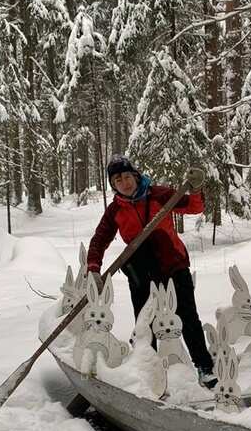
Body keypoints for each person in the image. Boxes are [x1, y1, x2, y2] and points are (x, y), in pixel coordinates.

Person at [86, 155, 216, 388]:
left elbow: (194, 207)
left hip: (172, 263)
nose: (124, 183)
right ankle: (149, 369)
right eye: (117, 180)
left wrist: (196, 189)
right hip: (141, 269)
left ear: (135, 176)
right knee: (144, 322)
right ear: (113, 185)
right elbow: (99, 239)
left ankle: (204, 367)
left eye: (127, 176)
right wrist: (93, 268)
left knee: (187, 316)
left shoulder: (159, 194)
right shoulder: (115, 210)